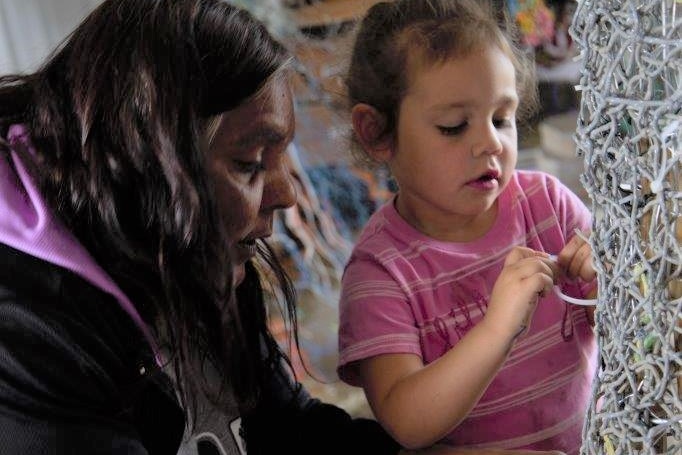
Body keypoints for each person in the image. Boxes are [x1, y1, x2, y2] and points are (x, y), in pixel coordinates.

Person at [0, 1, 570, 454]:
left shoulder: (198, 257)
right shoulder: (29, 344)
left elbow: (287, 426)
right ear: (146, 171)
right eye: (249, 163)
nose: (288, 194)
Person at [337, 1, 597, 454]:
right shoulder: (380, 273)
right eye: (454, 127)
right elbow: (406, 422)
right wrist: (498, 330)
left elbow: (626, 331)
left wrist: (603, 286)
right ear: (377, 132)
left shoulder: (549, 205)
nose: (492, 142)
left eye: (502, 118)